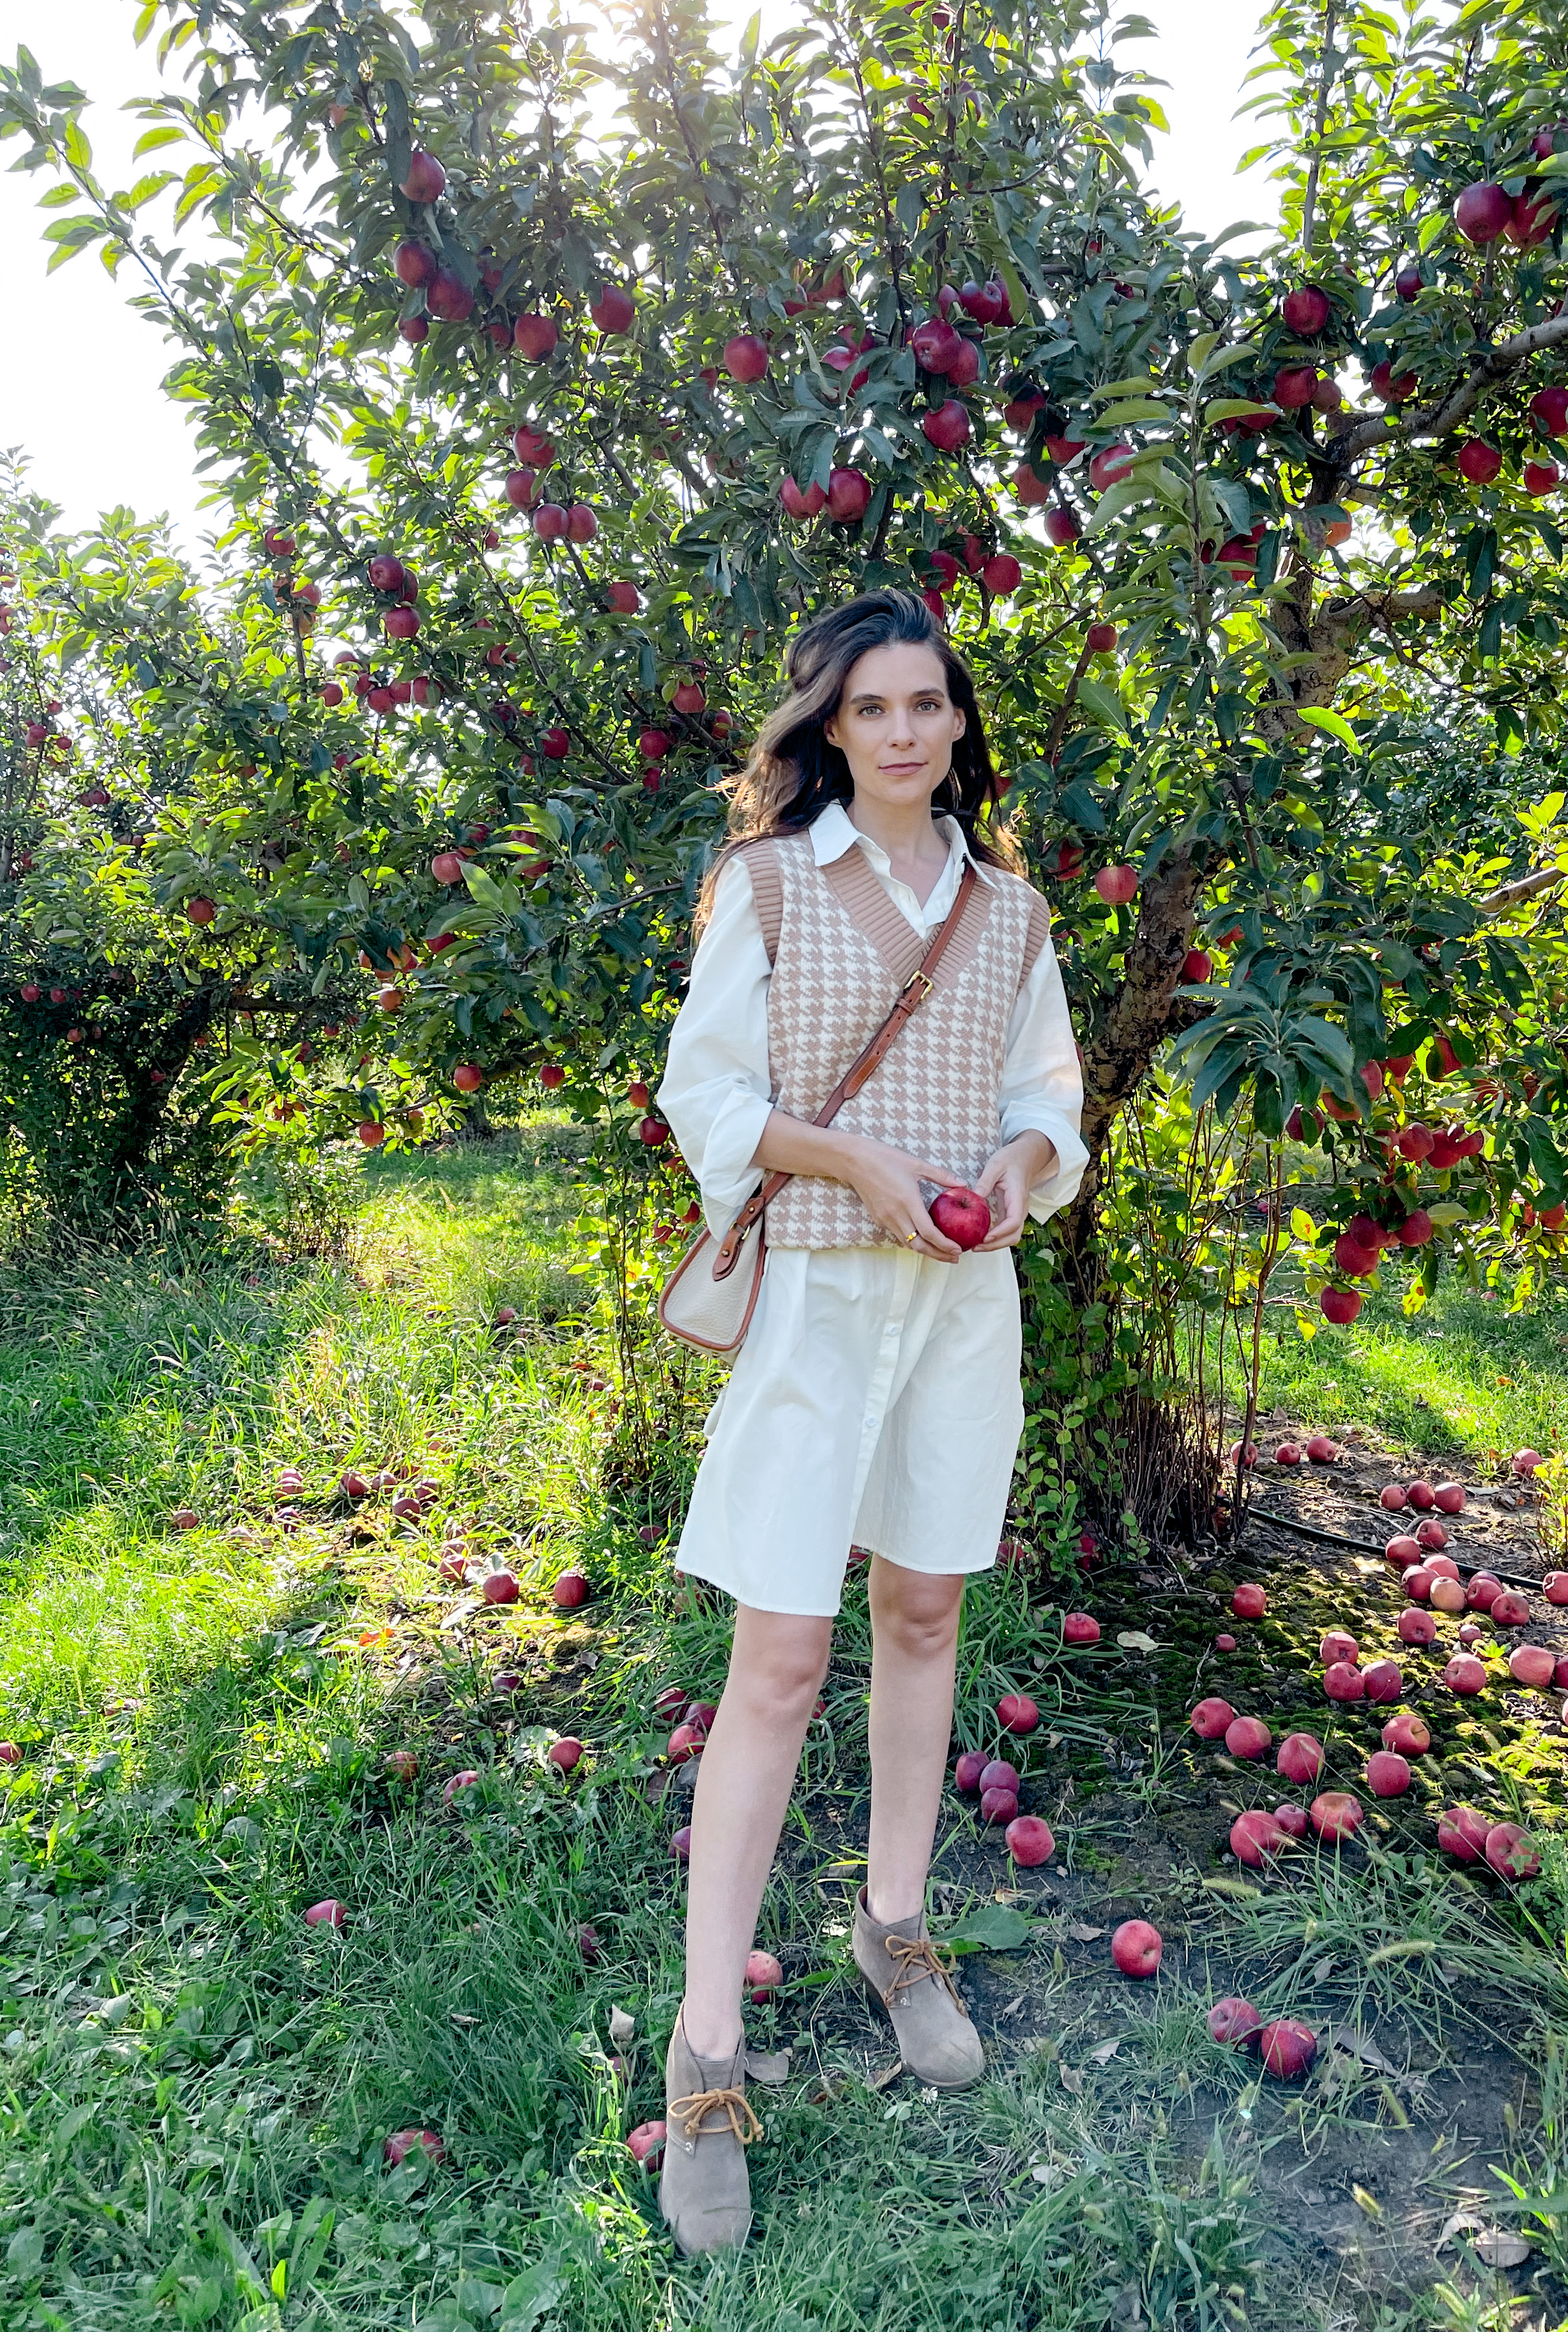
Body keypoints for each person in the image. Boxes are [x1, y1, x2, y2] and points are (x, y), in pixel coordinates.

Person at [653, 587, 1086, 2253]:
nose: (904, 731)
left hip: (960, 1308)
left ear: (957, 724)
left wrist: (1014, 1169)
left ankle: (893, 1924)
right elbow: (712, 1096)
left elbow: (1051, 1093)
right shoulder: (768, 886)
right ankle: (707, 2053)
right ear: (831, 728)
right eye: (873, 708)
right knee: (777, 1659)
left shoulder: (1015, 913)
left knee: (923, 1612)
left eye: (929, 705)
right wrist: (861, 1165)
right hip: (823, 1305)